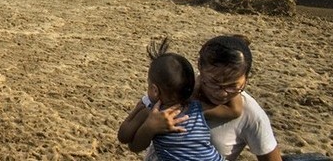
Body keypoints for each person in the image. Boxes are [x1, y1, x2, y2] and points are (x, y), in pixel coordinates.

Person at [139, 35, 285, 161]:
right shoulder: (176, 90)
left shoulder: (252, 115)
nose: (222, 93)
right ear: (200, 67)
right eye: (214, 83)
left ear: (246, 78)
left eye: (233, 86)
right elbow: (132, 139)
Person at [118, 37, 229, 161]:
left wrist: (146, 122)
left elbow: (126, 139)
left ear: (155, 90)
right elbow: (235, 111)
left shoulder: (151, 113)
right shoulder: (198, 107)